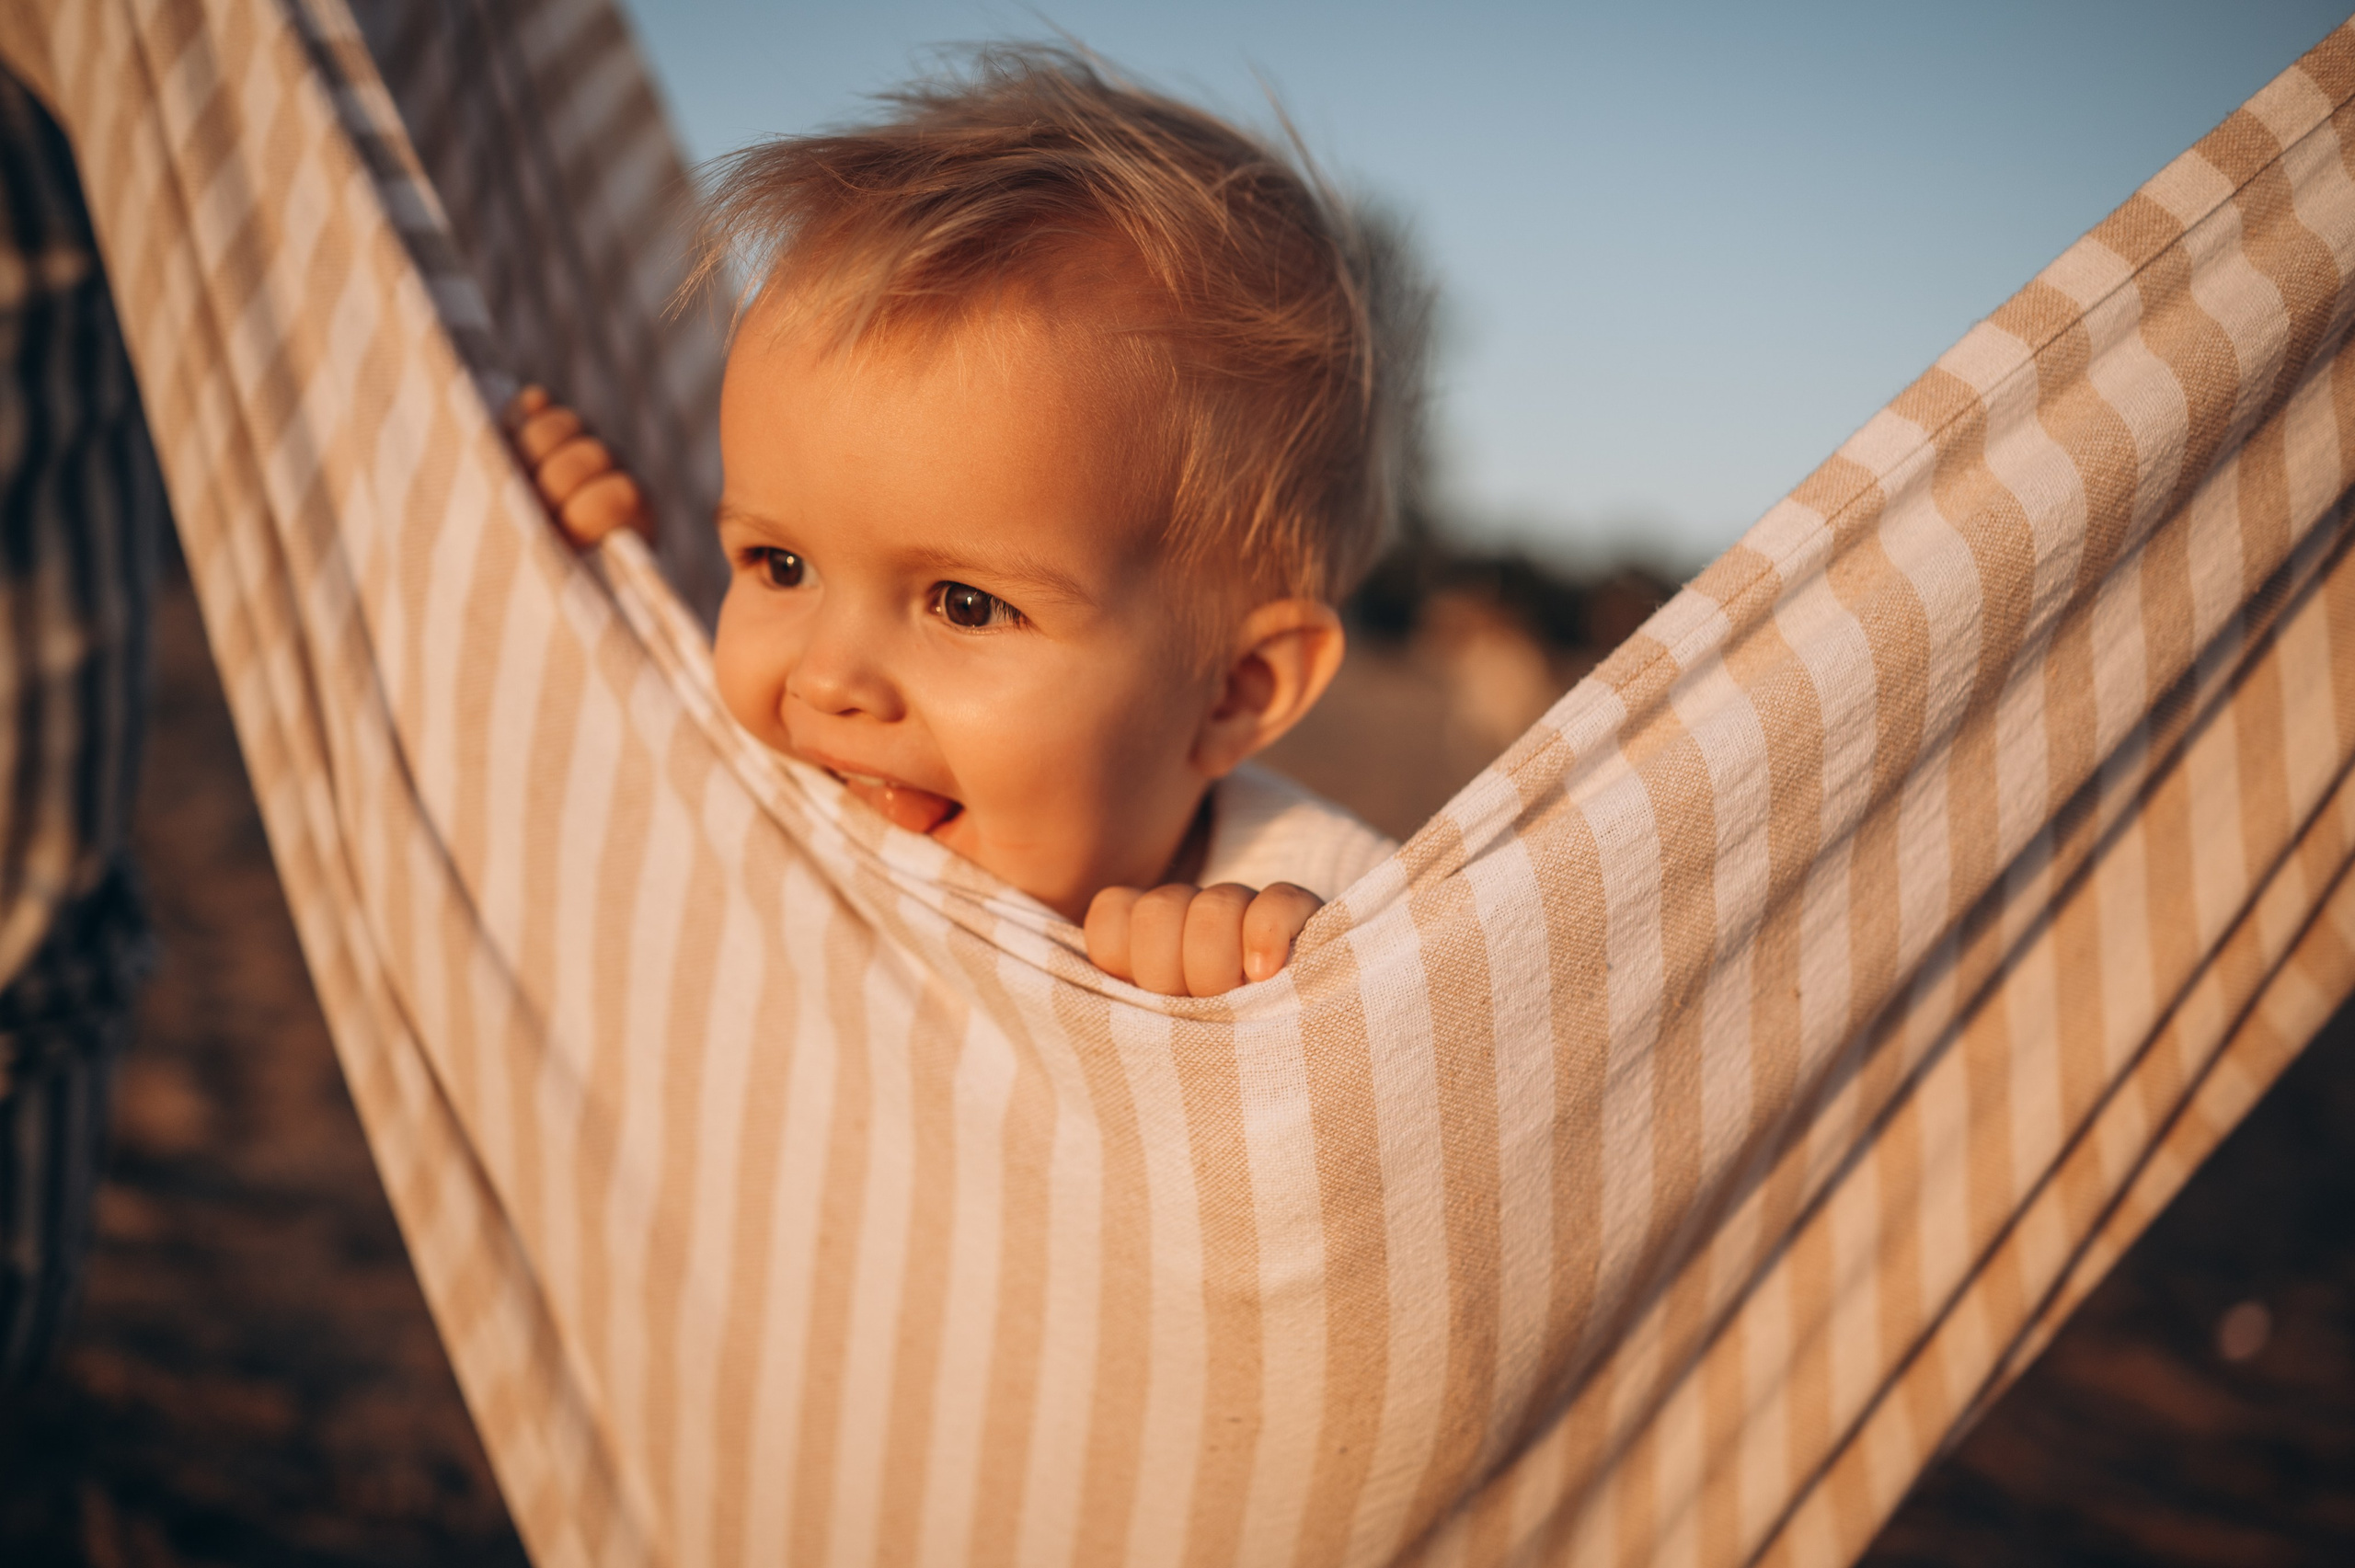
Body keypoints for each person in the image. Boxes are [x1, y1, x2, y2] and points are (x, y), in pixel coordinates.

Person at [504, 45, 1425, 998]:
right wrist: (560, 569)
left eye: (965, 605)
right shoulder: (765, 792)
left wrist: (1278, 1001)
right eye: (780, 564)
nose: (827, 679)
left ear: (1233, 689)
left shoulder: (1326, 919)